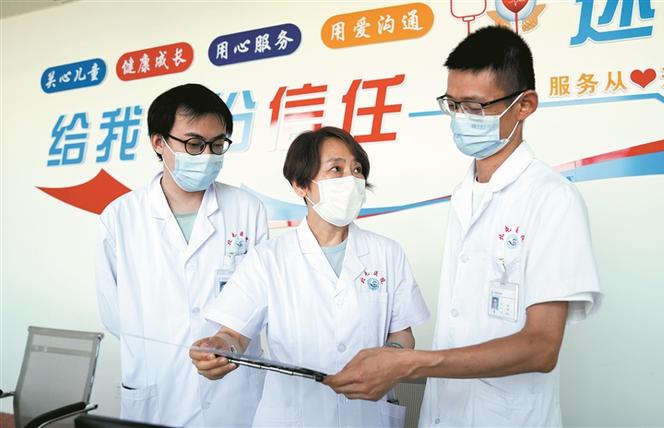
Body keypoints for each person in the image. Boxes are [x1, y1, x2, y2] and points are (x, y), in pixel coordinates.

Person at [324, 26, 603, 427]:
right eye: (452, 105)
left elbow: (541, 348)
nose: (460, 119)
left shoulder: (552, 198)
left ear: (524, 105)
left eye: (474, 107)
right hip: (444, 413)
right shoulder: (463, 193)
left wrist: (411, 363)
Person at [189, 126, 430, 427]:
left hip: (366, 415)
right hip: (294, 417)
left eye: (357, 170)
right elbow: (234, 334)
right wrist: (219, 348)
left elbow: (402, 334)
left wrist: (390, 357)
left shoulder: (387, 253)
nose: (351, 179)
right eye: (336, 169)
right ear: (301, 185)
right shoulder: (269, 259)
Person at [95, 83, 268, 427]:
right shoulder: (120, 217)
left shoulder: (248, 209)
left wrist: (230, 341)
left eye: (217, 144)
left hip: (233, 389)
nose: (207, 155)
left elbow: (261, 298)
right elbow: (114, 313)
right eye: (194, 144)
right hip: (159, 384)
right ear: (159, 143)